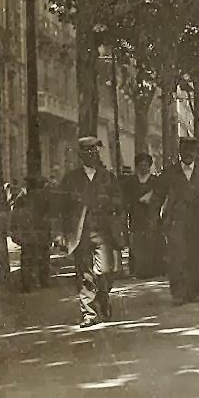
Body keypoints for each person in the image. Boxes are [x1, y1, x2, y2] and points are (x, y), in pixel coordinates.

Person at [54, 137, 126, 327]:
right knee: (84, 274)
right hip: (80, 235)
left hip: (104, 233)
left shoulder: (108, 177)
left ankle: (103, 298)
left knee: (105, 272)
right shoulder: (70, 180)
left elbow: (120, 203)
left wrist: (110, 204)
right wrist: (59, 233)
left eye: (94, 152)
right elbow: (60, 208)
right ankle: (89, 313)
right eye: (86, 152)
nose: (91, 155)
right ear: (80, 156)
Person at [152, 138, 199, 307]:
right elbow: (157, 197)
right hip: (177, 221)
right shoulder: (170, 173)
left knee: (195, 257)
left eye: (192, 151)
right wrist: (155, 219)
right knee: (176, 257)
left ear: (197, 153)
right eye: (185, 151)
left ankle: (193, 292)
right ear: (180, 153)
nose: (189, 154)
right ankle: (177, 293)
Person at [122, 153, 162, 279]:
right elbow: (125, 198)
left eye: (146, 165)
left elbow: (162, 195)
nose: (143, 168)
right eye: (141, 165)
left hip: (152, 214)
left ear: (149, 166)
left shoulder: (155, 181)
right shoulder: (130, 181)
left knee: (152, 240)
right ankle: (137, 270)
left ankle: (153, 269)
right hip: (136, 214)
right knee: (137, 241)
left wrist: (151, 197)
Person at [10, 175, 52, 293]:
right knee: (43, 257)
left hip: (28, 234)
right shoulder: (43, 198)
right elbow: (49, 216)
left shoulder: (21, 199)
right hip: (40, 232)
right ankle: (43, 281)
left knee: (27, 259)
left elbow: (15, 216)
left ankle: (26, 284)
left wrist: (15, 231)